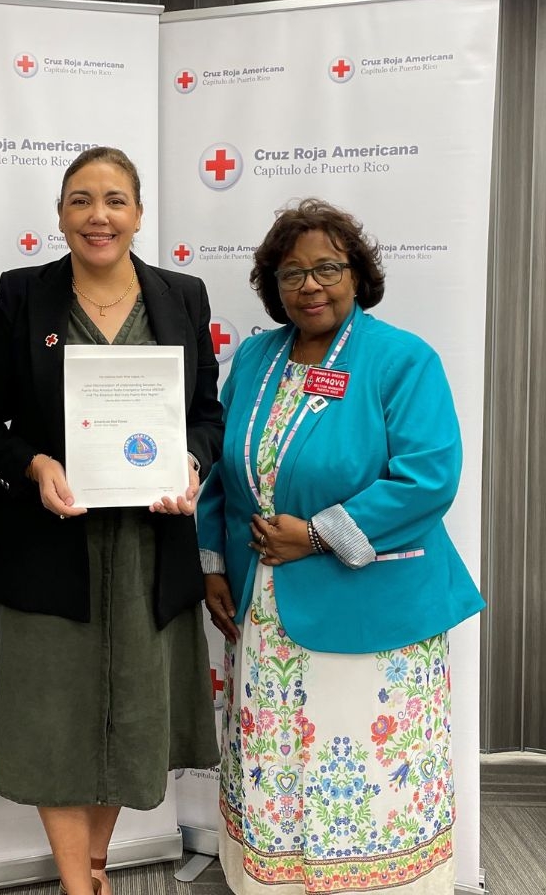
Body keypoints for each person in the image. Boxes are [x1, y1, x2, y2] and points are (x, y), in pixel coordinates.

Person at [0, 146, 223, 895]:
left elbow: (207, 415)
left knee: (128, 717)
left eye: (114, 200)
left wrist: (192, 462)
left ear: (138, 214)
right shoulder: (23, 296)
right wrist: (36, 465)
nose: (97, 216)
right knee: (55, 717)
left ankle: (97, 866)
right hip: (48, 544)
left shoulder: (182, 297)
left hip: (147, 548)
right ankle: (79, 884)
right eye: (80, 200)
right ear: (61, 214)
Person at [198, 199, 484, 895]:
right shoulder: (256, 358)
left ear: (357, 274)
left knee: (361, 771)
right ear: (273, 285)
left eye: (327, 268)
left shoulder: (401, 360)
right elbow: (221, 472)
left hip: (372, 609)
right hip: (266, 606)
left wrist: (317, 535)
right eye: (291, 273)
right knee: (279, 762)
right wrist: (211, 565)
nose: (310, 286)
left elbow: (427, 478)